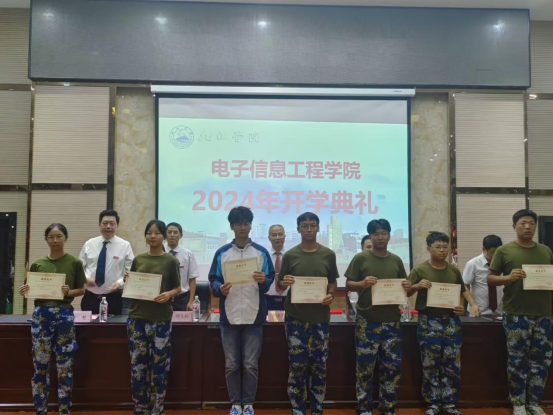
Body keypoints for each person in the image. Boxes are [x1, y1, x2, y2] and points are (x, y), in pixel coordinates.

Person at [209, 206, 275, 415]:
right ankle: (235, 404)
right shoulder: (222, 253)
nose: (243, 227)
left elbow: (269, 279)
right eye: (238, 224)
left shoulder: (261, 252)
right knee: (231, 364)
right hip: (229, 316)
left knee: (250, 364)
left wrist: (264, 280)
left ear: (251, 225)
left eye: (246, 223)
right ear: (231, 226)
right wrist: (219, 288)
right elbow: (213, 279)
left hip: (253, 315)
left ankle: (248, 404)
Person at [488, 210, 553, 415]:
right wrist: (508, 278)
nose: (527, 226)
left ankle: (534, 403)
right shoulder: (504, 251)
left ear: (535, 226)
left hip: (544, 315)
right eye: (523, 223)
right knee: (517, 361)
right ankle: (518, 403)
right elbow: (490, 278)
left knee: (541, 361)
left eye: (531, 223)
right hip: (516, 315)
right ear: (514, 226)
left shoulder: (546, 251)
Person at [407, 231, 479, 415]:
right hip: (428, 322)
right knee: (430, 364)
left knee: (452, 364)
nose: (442, 250)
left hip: (451, 322)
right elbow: (405, 292)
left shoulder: (453, 270)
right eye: (437, 247)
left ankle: (449, 403)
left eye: (445, 247)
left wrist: (467, 305)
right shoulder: (420, 270)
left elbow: (462, 290)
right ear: (428, 248)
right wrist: (417, 286)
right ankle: (433, 404)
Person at [345, 219, 411, 415]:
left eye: (384, 233)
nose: (380, 237)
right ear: (370, 236)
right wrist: (362, 284)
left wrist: (407, 286)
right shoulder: (360, 258)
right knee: (364, 368)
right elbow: (349, 284)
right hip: (367, 321)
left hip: (392, 321)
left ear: (389, 236)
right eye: (376, 234)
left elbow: (404, 286)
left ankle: (388, 408)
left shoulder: (396, 260)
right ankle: (364, 408)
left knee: (391, 367)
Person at [19, 223, 86, 415]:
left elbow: (81, 290)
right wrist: (25, 290)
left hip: (64, 314)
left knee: (65, 365)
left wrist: (68, 292)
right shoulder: (38, 263)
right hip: (41, 315)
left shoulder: (74, 262)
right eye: (51, 237)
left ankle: (64, 409)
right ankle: (40, 409)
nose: (55, 240)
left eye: (59, 236)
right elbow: (29, 289)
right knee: (40, 363)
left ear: (65, 238)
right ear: (46, 239)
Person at [277, 212, 338, 415]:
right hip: (295, 319)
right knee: (297, 366)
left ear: (318, 228)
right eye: (305, 226)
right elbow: (280, 284)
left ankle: (317, 409)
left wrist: (331, 294)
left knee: (319, 365)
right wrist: (284, 282)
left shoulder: (328, 254)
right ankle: (298, 409)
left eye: (313, 225)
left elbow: (332, 282)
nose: (309, 229)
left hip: (320, 319)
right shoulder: (290, 255)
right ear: (298, 229)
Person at [125, 220, 181, 415]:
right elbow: (132, 285)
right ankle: (140, 408)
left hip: (161, 319)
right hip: (137, 317)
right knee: (138, 366)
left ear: (164, 236)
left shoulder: (170, 261)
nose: (153, 236)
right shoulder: (138, 259)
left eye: (157, 233)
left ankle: (157, 409)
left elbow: (178, 287)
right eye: (149, 232)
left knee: (159, 366)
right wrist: (127, 281)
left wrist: (168, 294)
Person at [80, 209, 134, 315]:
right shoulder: (89, 244)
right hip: (90, 297)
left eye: (112, 223)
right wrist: (85, 278)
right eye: (105, 223)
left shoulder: (125, 245)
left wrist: (120, 283)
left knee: (113, 326)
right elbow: (79, 267)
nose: (108, 226)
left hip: (113, 298)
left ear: (117, 225)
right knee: (87, 326)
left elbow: (131, 271)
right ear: (99, 224)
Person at [462, 235, 503, 316]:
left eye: (498, 253)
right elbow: (464, 286)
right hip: (479, 312)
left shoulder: (503, 263)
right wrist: (472, 304)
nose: (496, 256)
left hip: (499, 312)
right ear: (484, 249)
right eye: (493, 253)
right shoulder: (472, 264)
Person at [166, 222, 200, 311]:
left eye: (175, 232)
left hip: (182, 299)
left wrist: (191, 301)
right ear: (165, 235)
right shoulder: (160, 254)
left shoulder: (188, 254)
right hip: (164, 298)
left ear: (181, 236)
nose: (172, 235)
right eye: (169, 232)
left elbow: (192, 279)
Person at [265, 224, 288, 311]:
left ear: (285, 236)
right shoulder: (264, 256)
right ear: (269, 238)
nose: (277, 238)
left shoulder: (291, 256)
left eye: (280, 234)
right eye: (274, 235)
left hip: (288, 299)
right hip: (268, 299)